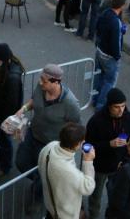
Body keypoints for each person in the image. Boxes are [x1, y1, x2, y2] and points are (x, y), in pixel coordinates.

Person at [15, 64, 81, 205]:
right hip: (33, 135)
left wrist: (67, 148)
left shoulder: (70, 103)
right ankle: (45, 181)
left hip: (50, 145)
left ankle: (37, 195)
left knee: (43, 173)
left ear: (56, 82)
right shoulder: (41, 88)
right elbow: (34, 100)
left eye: (44, 80)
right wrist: (24, 108)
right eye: (41, 79)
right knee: (21, 162)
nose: (40, 82)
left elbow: (76, 127)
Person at [85, 88, 130, 219]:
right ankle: (93, 216)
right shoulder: (96, 121)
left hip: (119, 165)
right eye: (117, 107)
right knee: (95, 196)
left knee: (116, 195)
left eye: (123, 106)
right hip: (100, 167)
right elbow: (87, 146)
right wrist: (109, 144)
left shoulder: (129, 118)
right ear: (109, 106)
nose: (121, 110)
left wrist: (125, 160)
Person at [38, 123, 96, 219]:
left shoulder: (50, 146)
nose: (84, 142)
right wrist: (88, 161)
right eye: (82, 140)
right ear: (77, 145)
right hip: (64, 214)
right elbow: (88, 187)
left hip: (50, 204)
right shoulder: (68, 171)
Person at [0, 43, 25, 180]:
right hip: (0, 111)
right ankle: (1, 156)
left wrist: (4, 118)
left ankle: (6, 167)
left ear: (1, 59)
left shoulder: (12, 78)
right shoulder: (1, 67)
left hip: (5, 115)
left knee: (6, 140)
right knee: (2, 138)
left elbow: (11, 103)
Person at [92, 0, 127, 109]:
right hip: (109, 56)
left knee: (99, 76)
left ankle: (94, 99)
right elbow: (116, 42)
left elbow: (97, 27)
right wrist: (118, 56)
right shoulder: (116, 21)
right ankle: (101, 105)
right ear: (121, 6)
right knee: (109, 82)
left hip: (100, 50)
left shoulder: (105, 13)